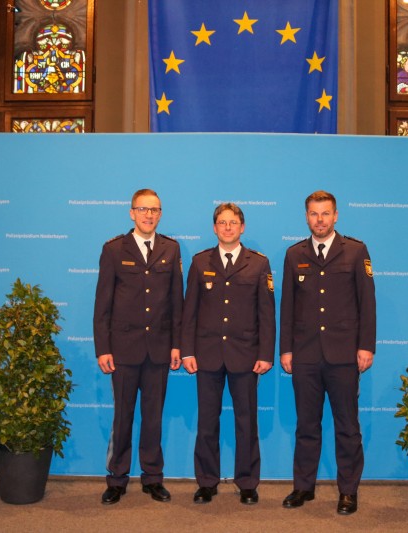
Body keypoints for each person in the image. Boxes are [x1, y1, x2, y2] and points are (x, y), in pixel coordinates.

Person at [279, 190, 376, 516]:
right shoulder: (294, 254)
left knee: (347, 426)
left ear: (336, 216)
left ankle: (348, 490)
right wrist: (286, 349)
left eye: (325, 213)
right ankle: (303, 487)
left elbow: (367, 303)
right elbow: (288, 306)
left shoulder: (355, 251)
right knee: (306, 425)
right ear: (306, 217)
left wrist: (365, 345)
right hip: (305, 355)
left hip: (344, 355)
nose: (319, 220)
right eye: (314, 214)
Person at [181, 203, 275, 506]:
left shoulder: (258, 264)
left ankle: (247, 482)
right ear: (214, 228)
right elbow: (189, 312)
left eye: (233, 222)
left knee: (246, 422)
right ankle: (206, 482)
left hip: (245, 355)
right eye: (222, 222)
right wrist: (187, 351)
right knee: (207, 422)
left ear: (242, 227)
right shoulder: (200, 262)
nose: (228, 227)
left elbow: (267, 314)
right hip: (207, 354)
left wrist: (266, 354)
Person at [93, 188, 183, 505]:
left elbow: (177, 302)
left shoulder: (171, 249)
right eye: (143, 209)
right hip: (123, 350)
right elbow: (102, 304)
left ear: (160, 214)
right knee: (123, 417)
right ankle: (117, 479)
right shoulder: (114, 249)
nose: (149, 215)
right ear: (132, 213)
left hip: (159, 349)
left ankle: (153, 477)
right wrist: (103, 348)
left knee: (153, 418)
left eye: (154, 210)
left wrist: (176, 345)